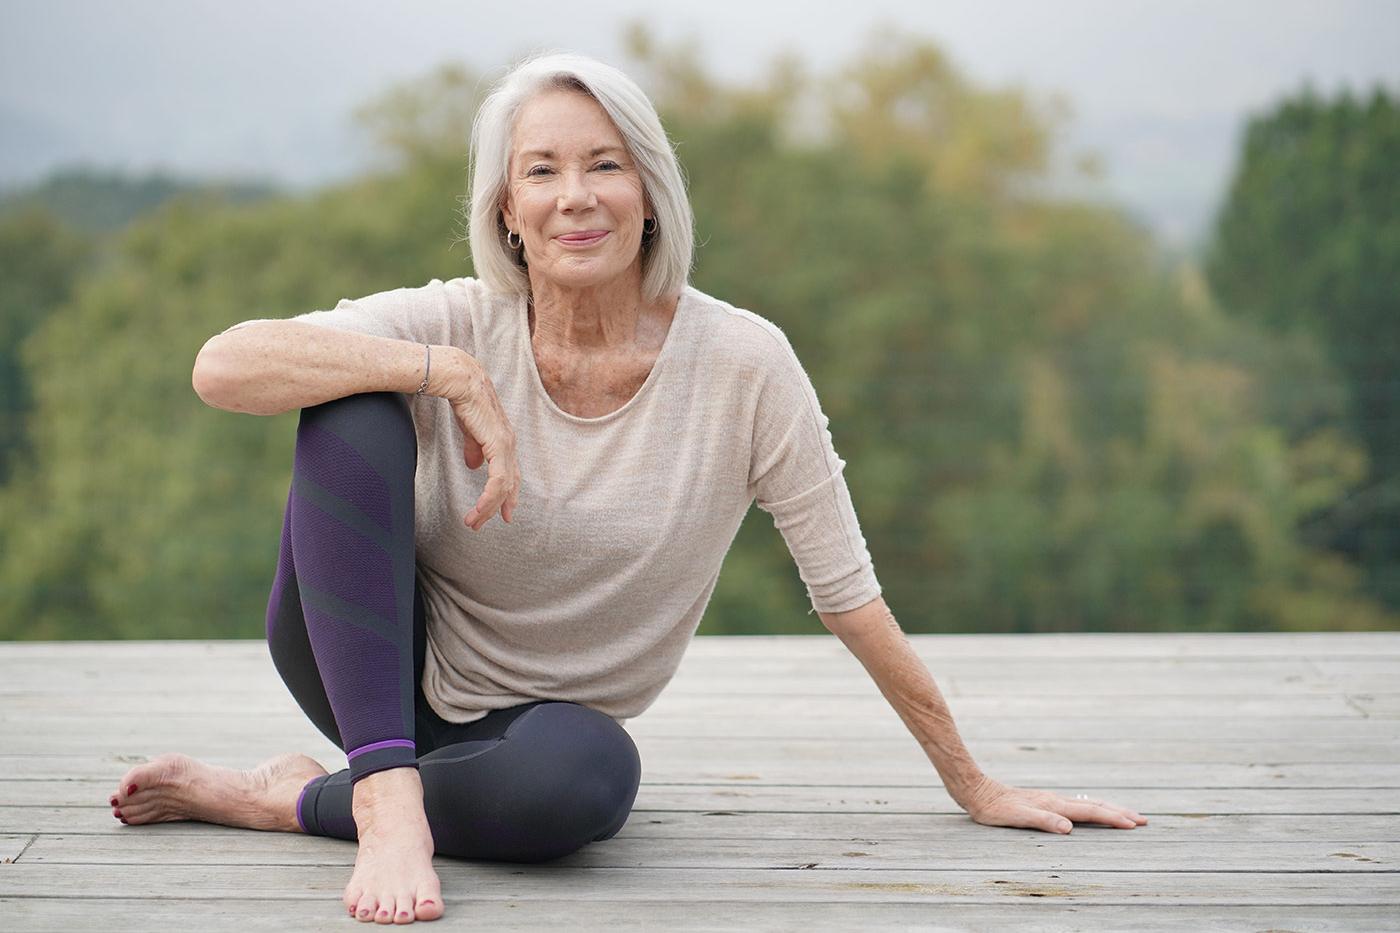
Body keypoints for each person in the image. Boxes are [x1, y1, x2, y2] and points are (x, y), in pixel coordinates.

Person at [106, 51, 1147, 925]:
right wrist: (445, 373)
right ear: (505, 208)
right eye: (542, 171)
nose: (575, 196)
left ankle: (294, 799)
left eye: (603, 165)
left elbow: (847, 596)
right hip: (364, 663)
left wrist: (974, 783)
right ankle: (384, 800)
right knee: (350, 394)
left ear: (648, 191)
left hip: (534, 740)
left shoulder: (742, 366)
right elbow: (222, 366)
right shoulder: (456, 319)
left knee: (589, 781)